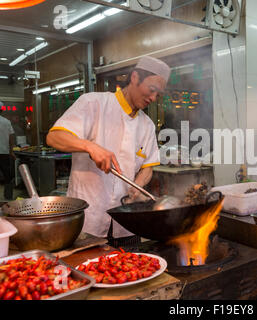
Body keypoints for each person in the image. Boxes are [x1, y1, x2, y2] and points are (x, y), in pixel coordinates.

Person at [46, 56, 170, 246]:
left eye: (158, 94)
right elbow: (54, 137)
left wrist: (137, 185)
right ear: (135, 77)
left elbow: (148, 167)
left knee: (131, 271)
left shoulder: (147, 125)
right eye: (152, 90)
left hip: (127, 223)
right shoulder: (94, 103)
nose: (153, 98)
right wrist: (90, 146)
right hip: (89, 220)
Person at [0, 106, 15, 200]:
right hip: (4, 152)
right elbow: (11, 137)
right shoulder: (6, 121)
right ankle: (8, 196)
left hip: (4, 151)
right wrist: (11, 151)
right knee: (7, 175)